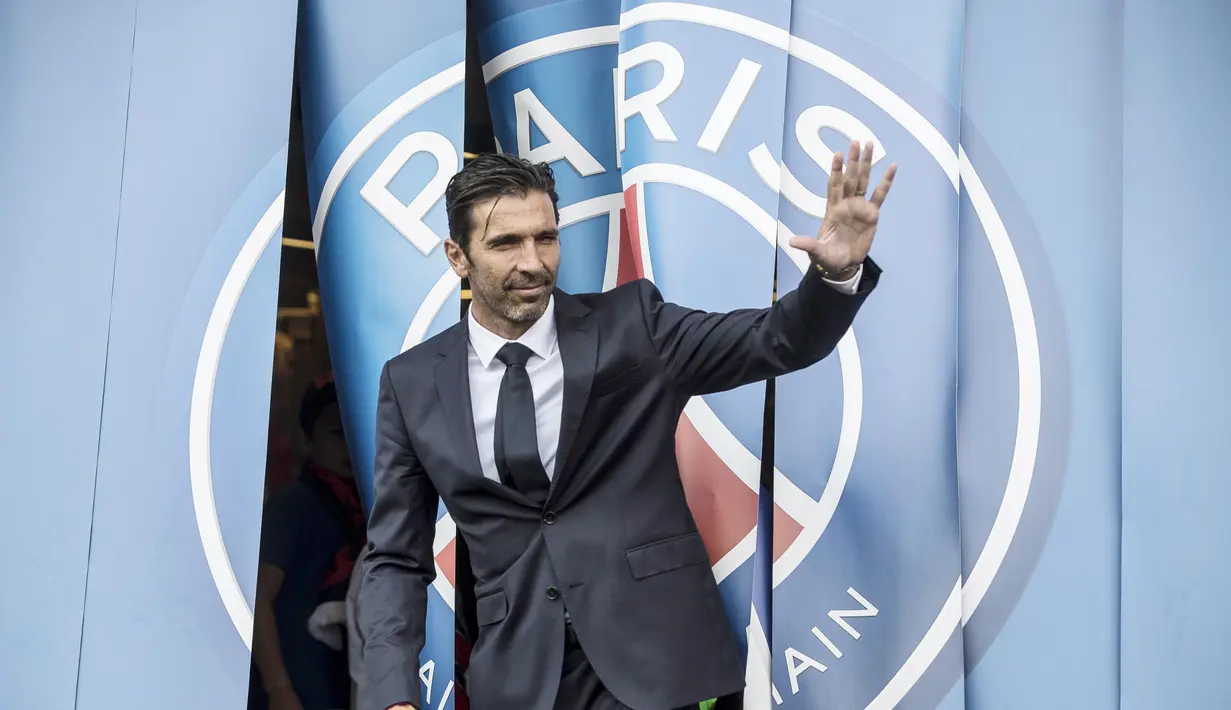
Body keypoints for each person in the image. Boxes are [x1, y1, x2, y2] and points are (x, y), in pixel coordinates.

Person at [359, 142, 896, 710]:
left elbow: (774, 339)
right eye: (505, 243)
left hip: (662, 669)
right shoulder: (411, 382)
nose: (533, 262)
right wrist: (393, 695)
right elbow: (395, 556)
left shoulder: (634, 326)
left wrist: (833, 277)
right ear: (457, 256)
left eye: (546, 237)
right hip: (520, 684)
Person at [250, 379, 367, 710]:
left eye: (358, 429)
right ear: (306, 440)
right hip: (300, 692)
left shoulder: (374, 506)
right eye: (337, 433)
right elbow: (258, 597)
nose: (351, 444)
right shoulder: (293, 503)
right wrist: (279, 688)